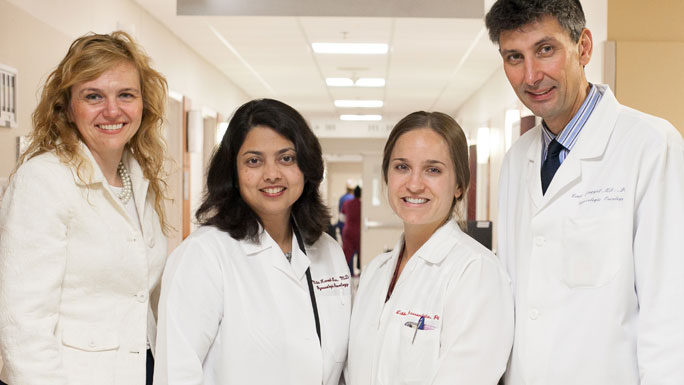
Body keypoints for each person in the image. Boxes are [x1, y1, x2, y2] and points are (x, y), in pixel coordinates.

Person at [486, 1, 684, 384]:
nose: (531, 75)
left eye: (546, 50)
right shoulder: (515, 161)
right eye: (514, 57)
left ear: (585, 47)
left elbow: (671, 312)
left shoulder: (652, 146)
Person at [0, 31, 169, 385]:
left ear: (143, 103)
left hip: (141, 368)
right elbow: (22, 324)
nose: (113, 110)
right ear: (66, 106)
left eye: (126, 95)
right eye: (94, 96)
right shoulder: (44, 180)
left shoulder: (138, 176)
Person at [153, 98, 351, 385]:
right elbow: (177, 373)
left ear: (305, 168)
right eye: (254, 161)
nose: (272, 174)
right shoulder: (204, 255)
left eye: (286, 158)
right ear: (233, 173)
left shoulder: (328, 251)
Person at [346, 111, 514, 385]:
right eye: (402, 167)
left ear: (459, 185)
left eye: (433, 170)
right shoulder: (376, 271)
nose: (414, 184)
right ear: (387, 175)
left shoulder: (476, 272)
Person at [341, 185, 361, 275]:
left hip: (348, 231)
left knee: (346, 255)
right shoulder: (362, 204)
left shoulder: (347, 203)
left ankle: (345, 274)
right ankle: (361, 273)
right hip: (359, 232)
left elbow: (342, 217)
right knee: (361, 253)